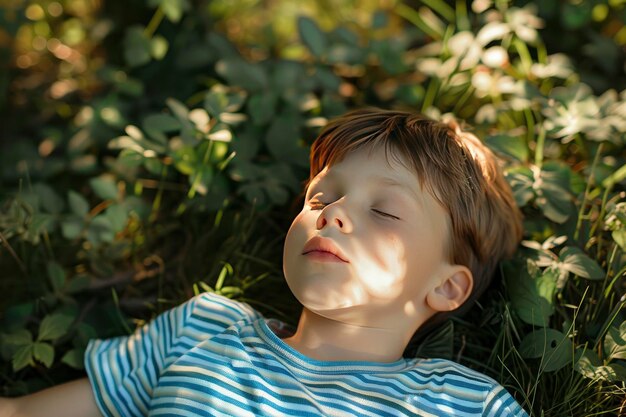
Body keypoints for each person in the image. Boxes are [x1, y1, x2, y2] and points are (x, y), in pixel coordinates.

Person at [0, 108, 528, 416]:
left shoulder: (459, 402)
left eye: (385, 211)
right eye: (320, 199)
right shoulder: (204, 328)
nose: (334, 214)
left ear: (446, 287)